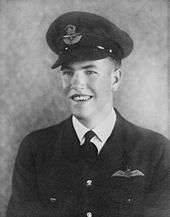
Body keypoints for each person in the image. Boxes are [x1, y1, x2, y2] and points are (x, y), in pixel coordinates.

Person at [6, 11, 169, 217]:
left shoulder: (155, 151)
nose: (76, 84)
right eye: (68, 73)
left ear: (115, 79)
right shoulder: (35, 150)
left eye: (90, 72)